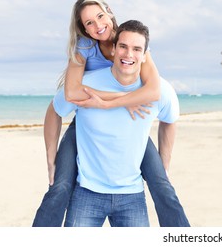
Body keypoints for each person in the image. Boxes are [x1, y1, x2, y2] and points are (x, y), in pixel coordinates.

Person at [32, 0, 189, 227]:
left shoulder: (133, 41)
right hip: (86, 119)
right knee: (60, 186)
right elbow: (72, 94)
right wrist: (121, 99)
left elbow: (155, 93)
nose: (98, 25)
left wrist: (114, 102)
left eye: (100, 16)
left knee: (163, 186)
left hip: (130, 127)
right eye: (89, 23)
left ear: (110, 13)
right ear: (84, 30)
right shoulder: (84, 46)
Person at [54, 20, 175, 226]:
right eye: (123, 47)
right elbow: (56, 110)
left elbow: (170, 121)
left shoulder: (161, 90)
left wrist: (162, 168)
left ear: (145, 55)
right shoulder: (86, 85)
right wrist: (51, 159)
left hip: (132, 196)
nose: (129, 55)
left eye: (137, 49)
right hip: (87, 193)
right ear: (114, 49)